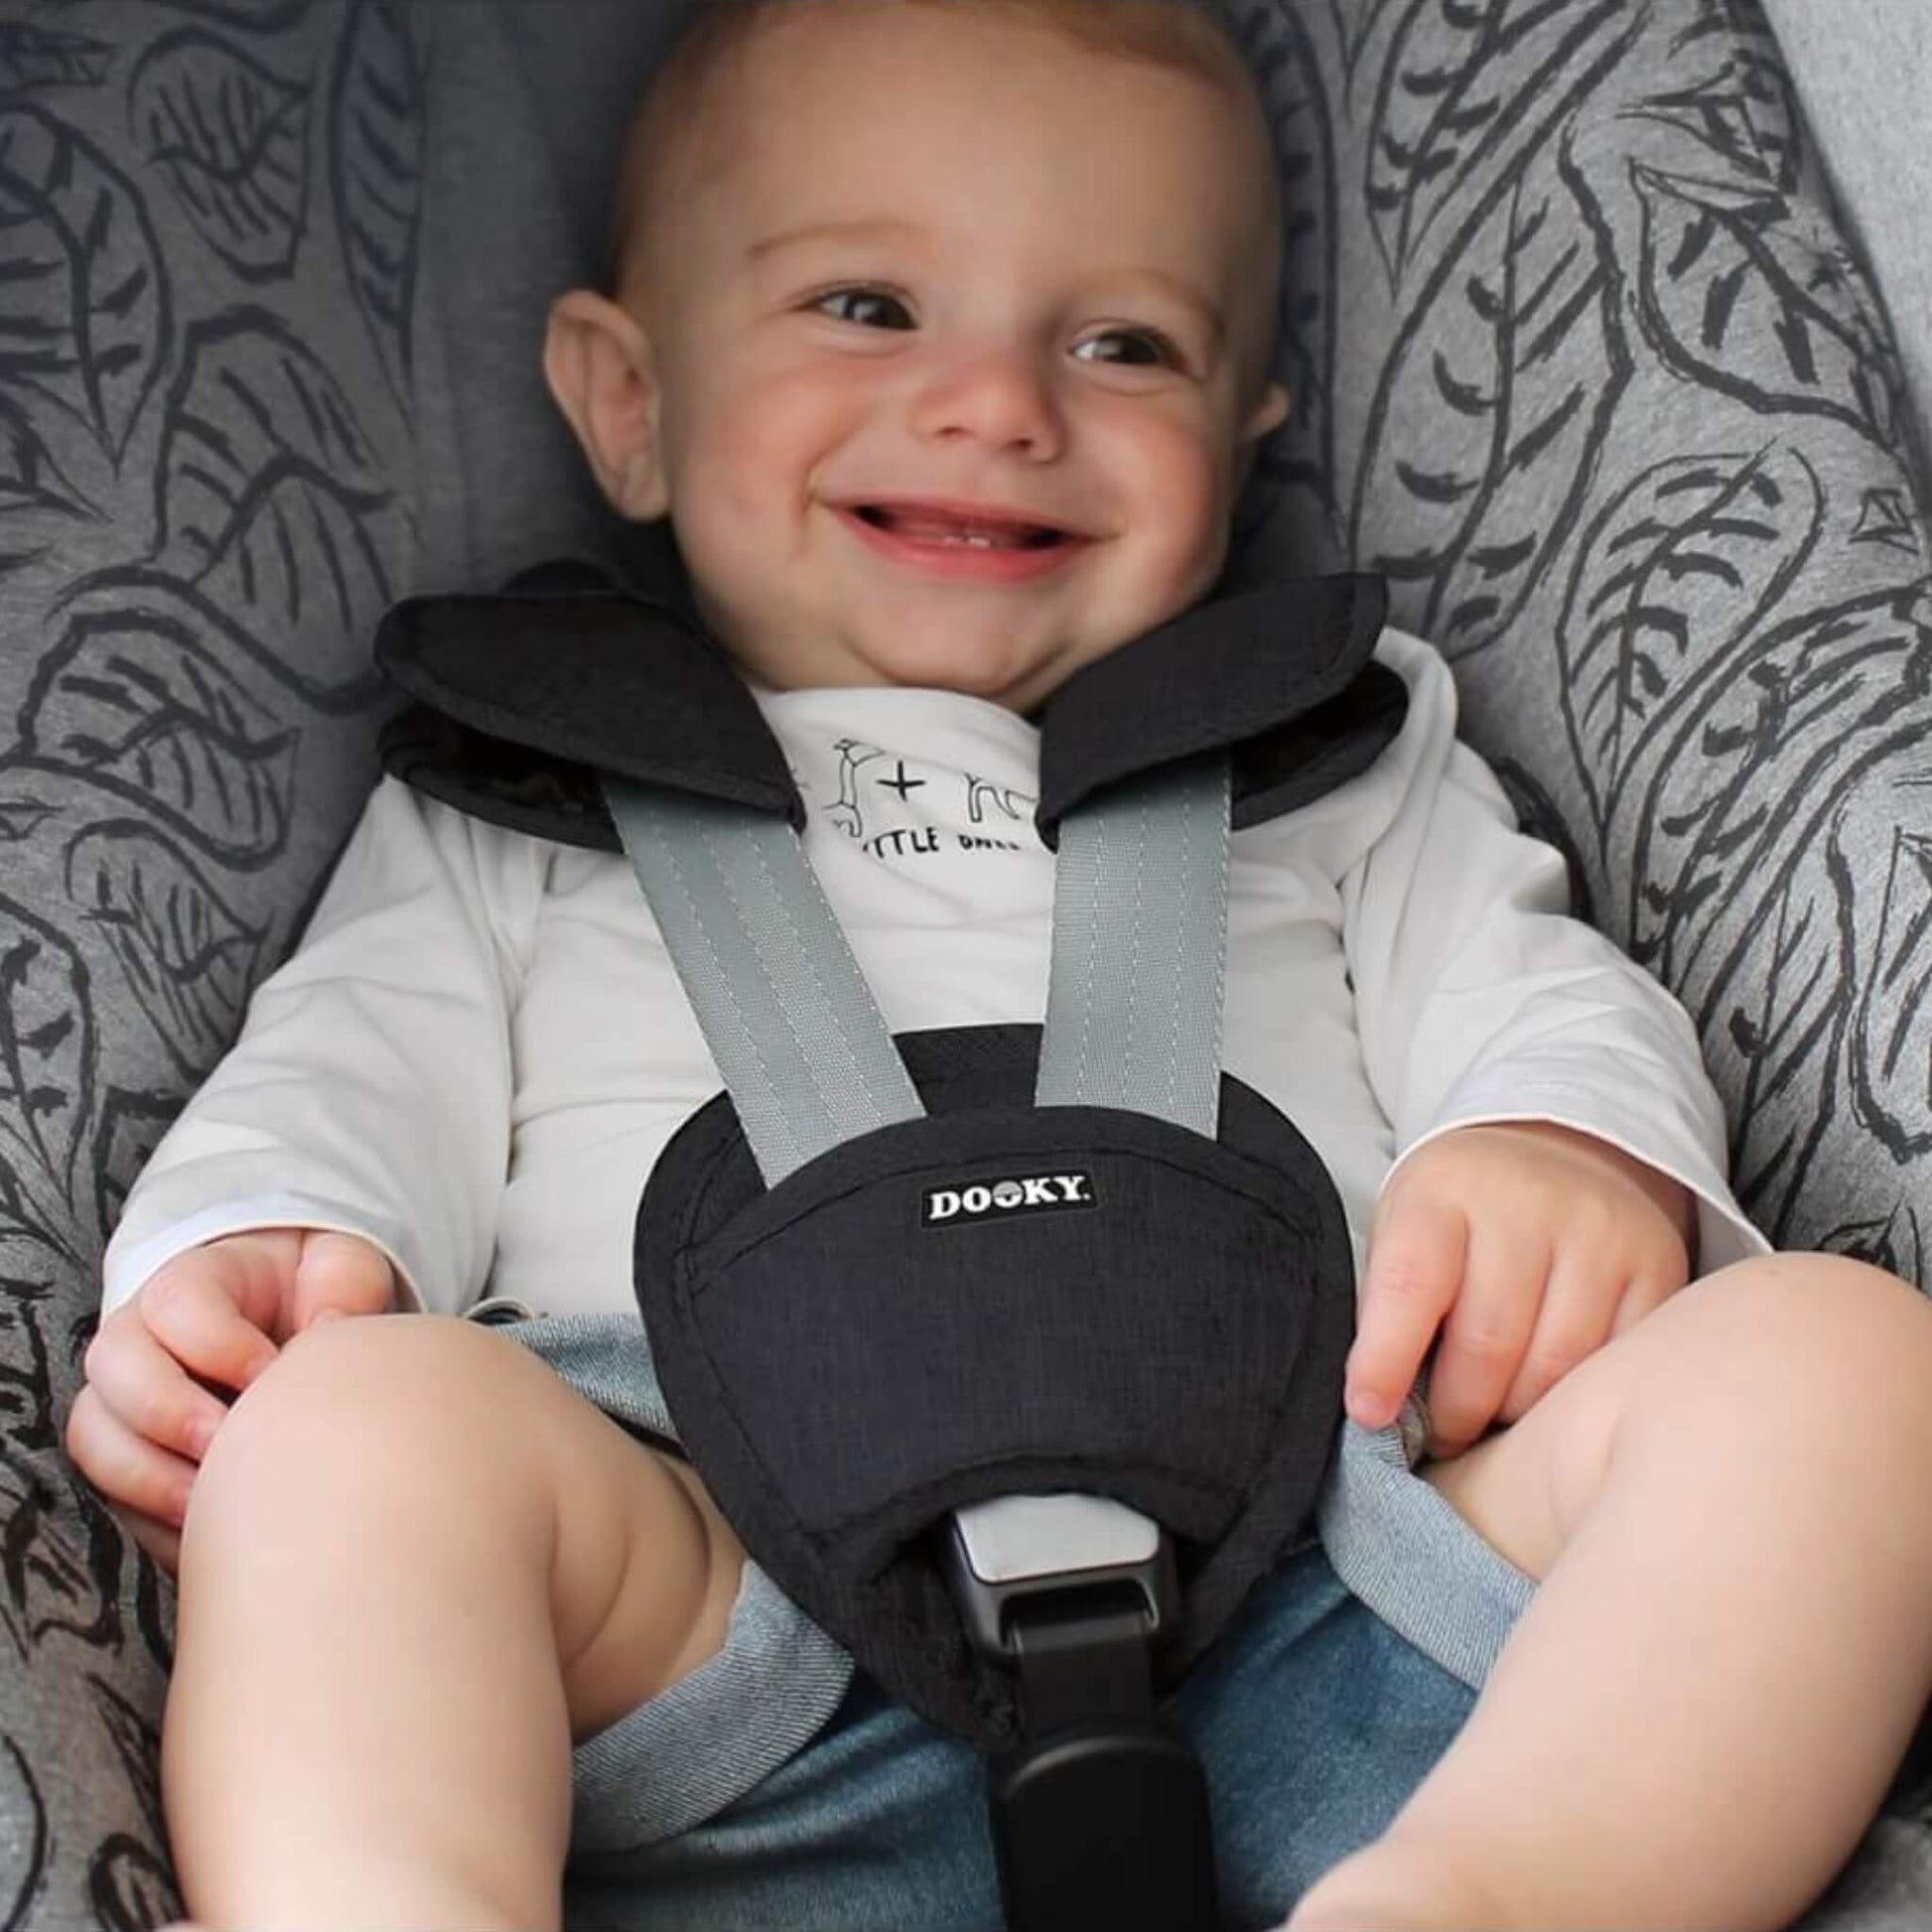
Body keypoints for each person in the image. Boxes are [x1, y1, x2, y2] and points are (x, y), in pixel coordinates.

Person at [61, 1, 1932, 1927]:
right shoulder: (526, 775)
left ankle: (1502, 1886)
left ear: (1240, 431)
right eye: (867, 305)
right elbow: (357, 1050)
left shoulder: (1331, 743)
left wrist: (1558, 1144)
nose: (998, 404)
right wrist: (261, 1245)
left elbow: (1535, 984)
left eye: (1121, 342)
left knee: (1840, 1360)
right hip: (705, 1558)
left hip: (1340, 1530)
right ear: (627, 401)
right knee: (350, 1439)